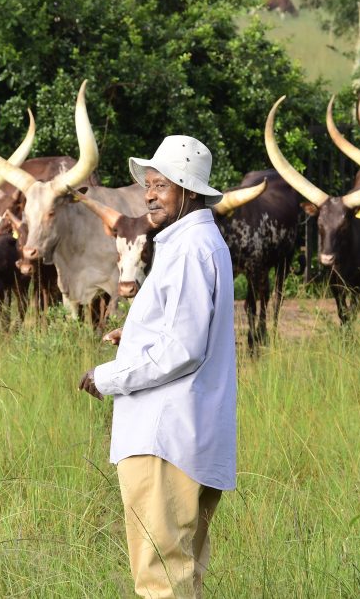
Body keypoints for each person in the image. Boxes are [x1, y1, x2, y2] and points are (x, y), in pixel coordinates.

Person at [78, 135, 237, 598]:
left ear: (189, 191)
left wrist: (106, 377)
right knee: (181, 573)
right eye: (148, 184)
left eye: (162, 185)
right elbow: (187, 329)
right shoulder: (200, 242)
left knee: (160, 579)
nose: (149, 194)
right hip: (189, 434)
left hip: (167, 439)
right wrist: (137, 334)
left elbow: (182, 350)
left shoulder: (189, 249)